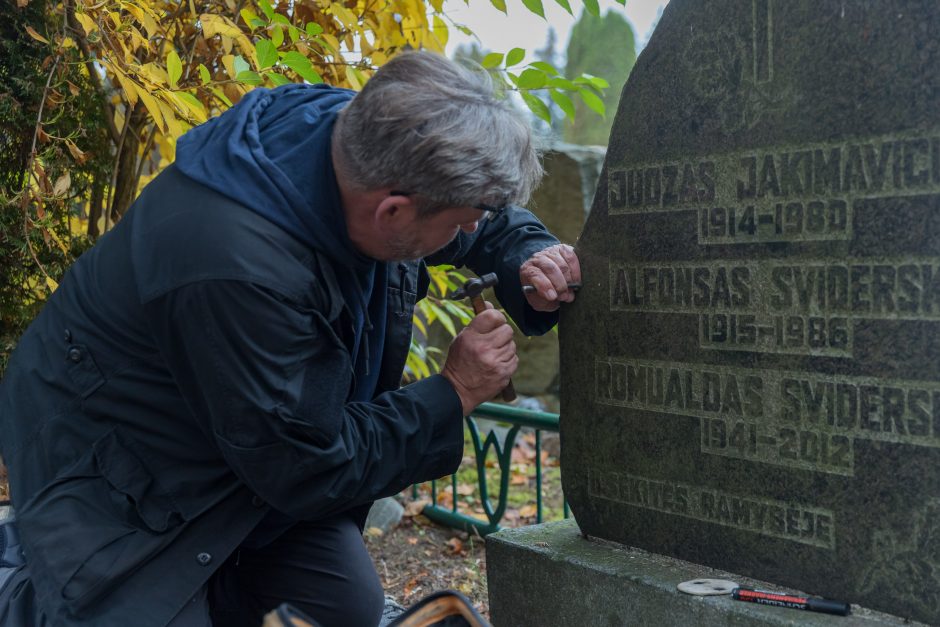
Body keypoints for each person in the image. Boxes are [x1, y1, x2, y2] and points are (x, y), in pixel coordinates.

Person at [0, 50, 581, 627]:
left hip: (254, 436)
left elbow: (475, 208)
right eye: (460, 224)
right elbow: (309, 464)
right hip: (120, 458)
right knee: (107, 602)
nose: (470, 231)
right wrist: (452, 391)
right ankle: (25, 587)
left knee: (339, 606)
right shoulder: (240, 267)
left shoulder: (371, 142)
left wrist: (525, 257)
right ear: (393, 213)